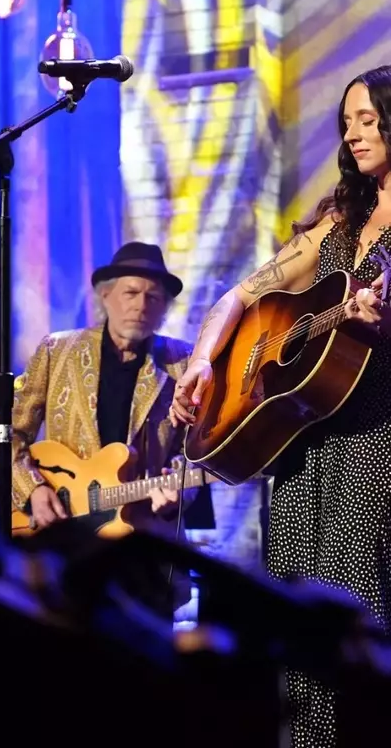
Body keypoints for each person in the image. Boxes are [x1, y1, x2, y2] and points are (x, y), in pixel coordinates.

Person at [170, 64, 391, 747]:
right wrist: (205, 361)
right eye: (347, 122)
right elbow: (240, 296)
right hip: (299, 441)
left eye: (367, 119)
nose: (353, 134)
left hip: (374, 429)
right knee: (292, 597)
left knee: (355, 588)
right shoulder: (335, 222)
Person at [0, 241, 200, 611]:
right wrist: (32, 490)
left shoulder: (183, 363)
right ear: (106, 296)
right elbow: (1, 432)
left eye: (153, 297)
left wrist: (177, 496)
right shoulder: (57, 350)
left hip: (142, 550)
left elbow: (199, 451)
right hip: (63, 543)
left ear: (164, 308)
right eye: (130, 292)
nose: (140, 305)